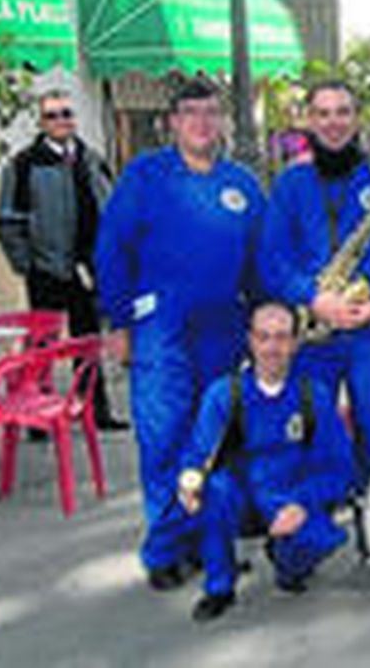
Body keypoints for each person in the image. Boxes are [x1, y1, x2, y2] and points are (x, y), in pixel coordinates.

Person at [96, 79, 266, 590]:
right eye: (190, 112)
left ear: (222, 121)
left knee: (214, 444)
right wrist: (119, 323)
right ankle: (167, 550)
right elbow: (110, 251)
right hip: (161, 333)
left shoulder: (243, 184)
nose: (201, 121)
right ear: (171, 121)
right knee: (165, 441)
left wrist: (266, 327)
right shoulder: (145, 177)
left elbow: (260, 264)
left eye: (210, 112)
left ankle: (212, 547)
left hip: (224, 332)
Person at [259, 80, 370, 480]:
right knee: (312, 434)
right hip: (314, 330)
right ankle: (314, 524)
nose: (333, 123)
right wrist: (313, 298)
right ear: (310, 121)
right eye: (324, 114)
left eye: (342, 112)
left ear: (356, 117)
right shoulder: (290, 184)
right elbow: (272, 258)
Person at [176, 302, 356, 621]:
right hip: (242, 497)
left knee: (321, 539)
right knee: (213, 491)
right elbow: (197, 455)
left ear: (296, 343)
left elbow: (340, 468)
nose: (272, 347)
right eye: (264, 337)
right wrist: (189, 482)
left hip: (290, 497)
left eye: (282, 337)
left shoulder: (313, 395)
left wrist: (302, 503)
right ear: (250, 340)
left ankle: (288, 565)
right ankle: (219, 587)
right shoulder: (223, 394)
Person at [0, 89, 124, 430]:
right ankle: (35, 415)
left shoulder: (91, 159)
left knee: (89, 341)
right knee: (42, 345)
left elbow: (111, 207)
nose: (61, 121)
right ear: (41, 122)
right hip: (47, 268)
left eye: (66, 113)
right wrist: (28, 264)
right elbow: (8, 221)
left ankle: (97, 411)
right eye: (52, 115)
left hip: (89, 267)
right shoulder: (25, 165)